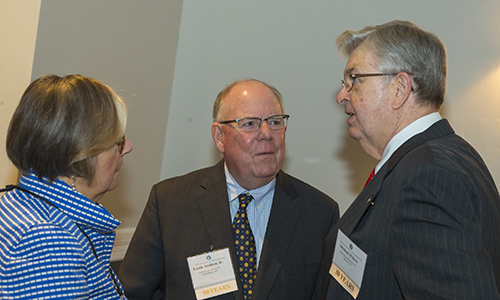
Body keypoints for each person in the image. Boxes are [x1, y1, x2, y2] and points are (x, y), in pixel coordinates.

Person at [321, 20, 500, 300]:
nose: (341, 96)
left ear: (399, 88)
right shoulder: (436, 156)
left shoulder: (428, 176)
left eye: (354, 80)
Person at [119, 78, 339, 300]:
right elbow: (134, 295)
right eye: (250, 124)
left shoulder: (319, 213)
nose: (266, 134)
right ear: (219, 137)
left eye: (275, 122)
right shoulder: (170, 202)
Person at [0, 74, 133, 299]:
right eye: (118, 141)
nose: (128, 147)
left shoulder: (19, 203)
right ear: (79, 156)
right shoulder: (48, 239)